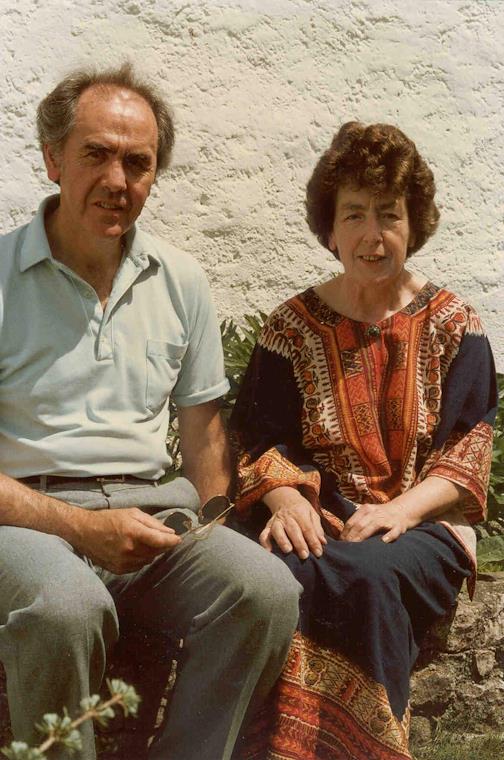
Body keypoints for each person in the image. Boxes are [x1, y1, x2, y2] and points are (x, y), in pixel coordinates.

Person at [0, 63, 301, 760]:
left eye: (138, 163)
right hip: (24, 520)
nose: (118, 180)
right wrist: (82, 526)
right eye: (96, 154)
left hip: (150, 515)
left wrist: (213, 527)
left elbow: (204, 434)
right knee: (65, 608)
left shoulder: (181, 280)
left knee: (264, 590)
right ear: (52, 160)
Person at [228, 122, 497, 760]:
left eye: (388, 214)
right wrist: (284, 500)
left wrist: (397, 511)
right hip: (318, 516)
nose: (372, 236)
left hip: (423, 526)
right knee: (279, 571)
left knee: (369, 572)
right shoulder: (290, 327)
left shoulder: (457, 324)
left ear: (414, 224)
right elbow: (258, 438)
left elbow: (467, 450)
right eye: (354, 214)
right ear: (330, 228)